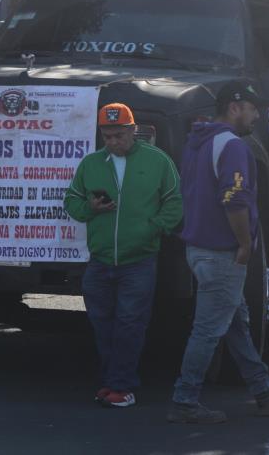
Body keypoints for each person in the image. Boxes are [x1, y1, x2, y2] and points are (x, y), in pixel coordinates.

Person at [168, 81, 269, 425]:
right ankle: (184, 400)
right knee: (209, 329)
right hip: (223, 253)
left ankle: (265, 393)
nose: (256, 115)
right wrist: (245, 244)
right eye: (252, 108)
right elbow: (235, 199)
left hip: (199, 249)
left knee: (235, 324)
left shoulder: (197, 142)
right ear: (235, 107)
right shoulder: (233, 146)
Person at [64, 102, 182, 408]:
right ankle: (112, 381)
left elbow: (174, 202)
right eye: (108, 136)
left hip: (139, 261)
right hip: (100, 261)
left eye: (119, 135)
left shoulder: (158, 161)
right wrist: (90, 208)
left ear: (133, 131)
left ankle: (121, 386)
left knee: (130, 323)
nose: (114, 142)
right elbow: (72, 202)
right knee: (102, 323)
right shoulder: (91, 163)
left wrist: (153, 229)